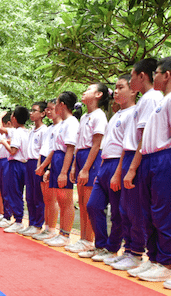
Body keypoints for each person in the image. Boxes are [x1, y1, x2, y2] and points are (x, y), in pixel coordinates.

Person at [124, 56, 171, 282]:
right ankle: (153, 259)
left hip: (164, 158)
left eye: (157, 72)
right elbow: (146, 138)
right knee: (148, 213)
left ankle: (165, 262)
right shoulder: (162, 100)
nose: (154, 77)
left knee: (162, 213)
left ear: (167, 75)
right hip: (150, 159)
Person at [111, 58, 163, 272]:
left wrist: (133, 167)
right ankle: (131, 250)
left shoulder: (152, 98)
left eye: (131, 76)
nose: (129, 80)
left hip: (139, 156)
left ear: (142, 76)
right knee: (127, 209)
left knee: (137, 210)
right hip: (132, 155)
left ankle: (137, 253)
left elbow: (145, 136)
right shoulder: (144, 100)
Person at [85, 75, 136, 262]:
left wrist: (118, 172)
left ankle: (113, 248)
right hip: (105, 163)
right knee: (93, 205)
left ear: (133, 90)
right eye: (115, 87)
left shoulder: (133, 113)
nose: (116, 91)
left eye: (120, 87)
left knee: (117, 211)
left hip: (118, 164)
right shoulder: (116, 114)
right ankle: (101, 244)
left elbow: (127, 145)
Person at [70, 83, 110, 254]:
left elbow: (96, 144)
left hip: (91, 158)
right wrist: (74, 166)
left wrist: (85, 169)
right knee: (81, 198)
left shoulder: (99, 116)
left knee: (88, 202)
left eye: (88, 90)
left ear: (99, 95)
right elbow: (78, 144)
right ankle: (83, 238)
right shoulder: (85, 117)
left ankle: (89, 240)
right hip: (80, 156)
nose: (84, 91)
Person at [45, 91, 79, 247]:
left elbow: (70, 149)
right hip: (57, 160)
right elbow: (55, 149)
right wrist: (50, 168)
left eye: (56, 103)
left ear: (62, 105)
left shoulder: (72, 122)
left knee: (66, 200)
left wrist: (64, 172)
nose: (54, 106)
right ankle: (61, 232)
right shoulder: (63, 124)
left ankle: (65, 234)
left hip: (64, 160)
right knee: (60, 198)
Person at [0, 107, 30, 233]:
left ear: (14, 118)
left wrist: (4, 142)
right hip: (24, 164)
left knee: (14, 192)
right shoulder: (27, 132)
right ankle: (18, 219)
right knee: (18, 193)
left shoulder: (16, 132)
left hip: (16, 164)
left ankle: (18, 220)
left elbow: (12, 151)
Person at [33, 101, 60, 240]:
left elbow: (54, 149)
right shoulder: (49, 128)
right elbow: (43, 148)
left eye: (52, 109)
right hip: (43, 161)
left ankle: (52, 229)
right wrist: (39, 164)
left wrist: (47, 166)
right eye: (47, 109)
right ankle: (47, 227)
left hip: (51, 162)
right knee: (46, 198)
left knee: (52, 198)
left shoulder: (61, 126)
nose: (49, 112)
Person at [20, 102, 47, 235]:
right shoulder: (32, 132)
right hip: (28, 163)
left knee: (38, 196)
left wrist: (41, 166)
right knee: (29, 195)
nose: (31, 113)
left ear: (42, 114)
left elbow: (43, 150)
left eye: (35, 110)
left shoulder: (44, 130)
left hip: (37, 163)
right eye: (31, 110)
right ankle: (31, 222)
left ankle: (38, 224)